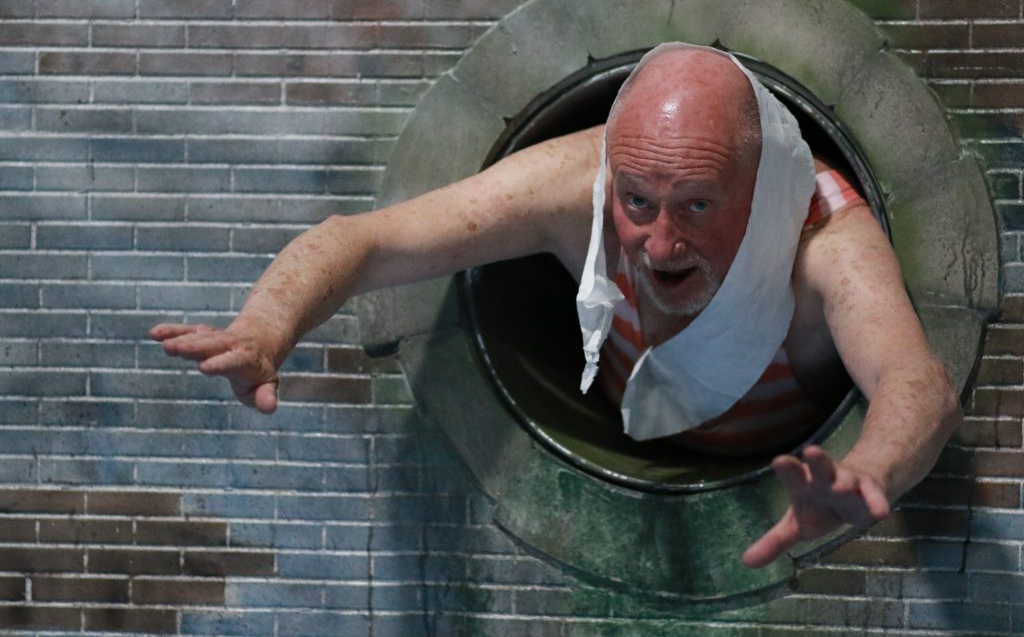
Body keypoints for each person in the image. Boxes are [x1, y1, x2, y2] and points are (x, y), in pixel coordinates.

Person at [150, 44, 961, 569]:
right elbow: (364, 241)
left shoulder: (823, 234)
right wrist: (265, 326)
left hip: (775, 441)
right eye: (639, 200)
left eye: (700, 207)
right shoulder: (579, 186)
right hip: (625, 413)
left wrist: (864, 469)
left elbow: (913, 380)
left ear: (764, 188)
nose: (660, 241)